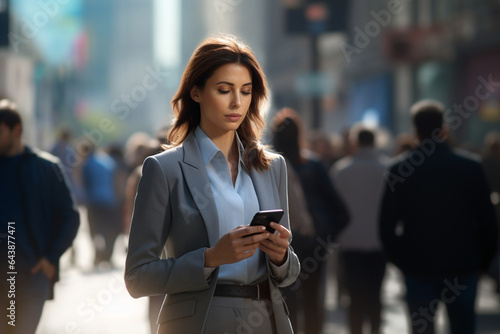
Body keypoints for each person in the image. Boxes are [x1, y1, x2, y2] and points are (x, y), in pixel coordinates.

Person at [124, 35, 300, 334]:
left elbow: (288, 273)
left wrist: (282, 256)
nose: (236, 102)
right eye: (223, 90)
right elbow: (138, 277)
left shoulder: (272, 167)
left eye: (246, 92)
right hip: (201, 321)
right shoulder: (164, 169)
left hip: (267, 319)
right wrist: (209, 259)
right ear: (196, 92)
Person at [379, 100, 498, 334]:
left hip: (418, 266)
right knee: (463, 328)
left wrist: (402, 261)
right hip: (462, 265)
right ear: (443, 128)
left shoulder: (399, 169)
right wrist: (481, 262)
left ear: (414, 130)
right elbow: (488, 221)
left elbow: (386, 226)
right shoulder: (470, 166)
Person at [0, 99, 80, 334]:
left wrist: (51, 258)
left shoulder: (46, 167)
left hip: (31, 276)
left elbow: (70, 216)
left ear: (16, 130)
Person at [271, 108, 349, 334]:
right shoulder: (313, 165)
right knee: (313, 300)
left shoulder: (269, 167)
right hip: (314, 245)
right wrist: (326, 239)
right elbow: (341, 211)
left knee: (286, 302)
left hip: (281, 247)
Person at [331, 125, 388, 334]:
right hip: (379, 241)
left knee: (354, 297)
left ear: (355, 143)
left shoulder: (341, 170)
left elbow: (334, 207)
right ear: (375, 142)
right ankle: (375, 330)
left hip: (350, 242)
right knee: (375, 295)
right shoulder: (387, 169)